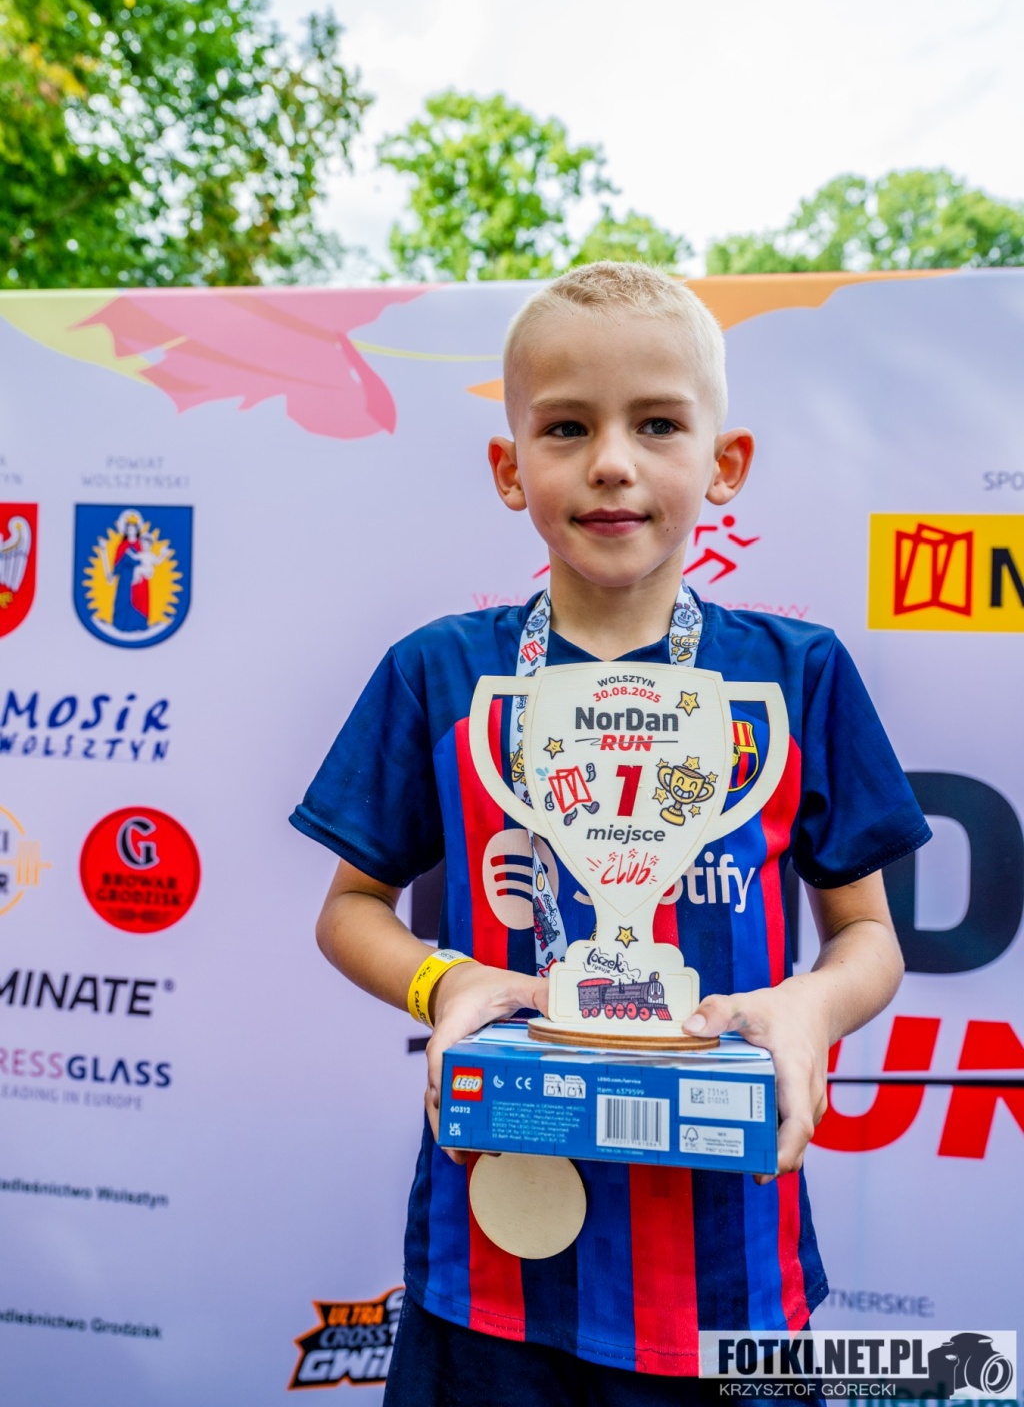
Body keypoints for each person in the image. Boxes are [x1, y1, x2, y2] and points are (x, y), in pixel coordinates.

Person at [290, 263, 930, 1405]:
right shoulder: (442, 672)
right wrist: (444, 981)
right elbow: (349, 911)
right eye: (567, 427)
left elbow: (868, 937)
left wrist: (810, 1008)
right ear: (510, 468)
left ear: (725, 463)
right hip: (490, 1274)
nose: (612, 462)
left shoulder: (797, 677)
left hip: (730, 1279)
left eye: (658, 424)